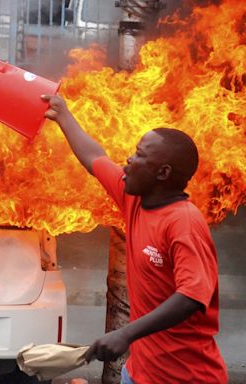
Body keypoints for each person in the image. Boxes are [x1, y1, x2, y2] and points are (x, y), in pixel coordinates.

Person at [41, 94, 228, 383]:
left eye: (140, 155)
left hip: (186, 377)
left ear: (163, 173)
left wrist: (126, 333)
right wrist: (63, 114)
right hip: (139, 373)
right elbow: (94, 158)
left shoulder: (184, 222)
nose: (129, 159)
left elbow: (191, 296)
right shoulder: (134, 199)